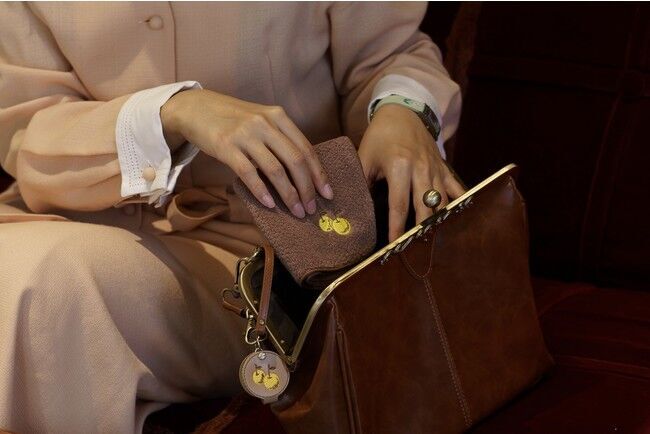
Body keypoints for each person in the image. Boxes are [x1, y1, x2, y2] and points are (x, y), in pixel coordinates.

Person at [0, 2, 462, 432]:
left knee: (41, 284)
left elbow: (390, 56)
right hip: (64, 217)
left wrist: (403, 114)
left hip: (266, 261)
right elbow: (25, 131)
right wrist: (171, 112)